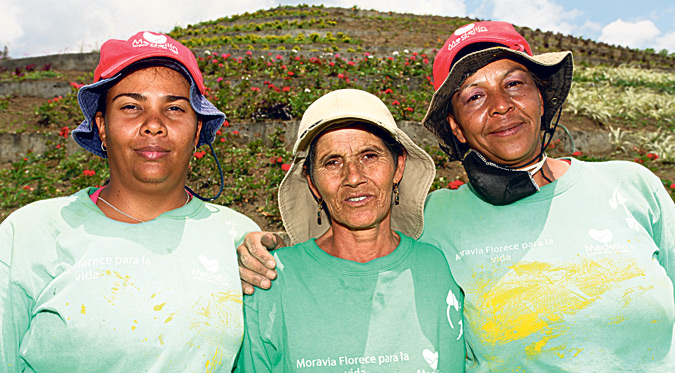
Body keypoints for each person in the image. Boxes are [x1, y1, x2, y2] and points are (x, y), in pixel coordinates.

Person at [237, 21, 675, 371]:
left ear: (542, 96)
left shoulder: (633, 186)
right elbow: (357, 246)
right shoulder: (438, 219)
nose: (501, 106)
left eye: (515, 84)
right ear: (456, 127)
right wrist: (264, 246)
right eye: (474, 96)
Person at [0, 31, 260, 371]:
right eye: (131, 107)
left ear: (197, 131)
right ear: (102, 126)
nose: (154, 125)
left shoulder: (237, 237)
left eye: (174, 108)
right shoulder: (30, 234)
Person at [234, 89, 465, 372]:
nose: (353, 177)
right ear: (312, 182)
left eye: (369, 156)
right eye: (332, 162)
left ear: (398, 166)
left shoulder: (435, 268)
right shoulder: (270, 281)